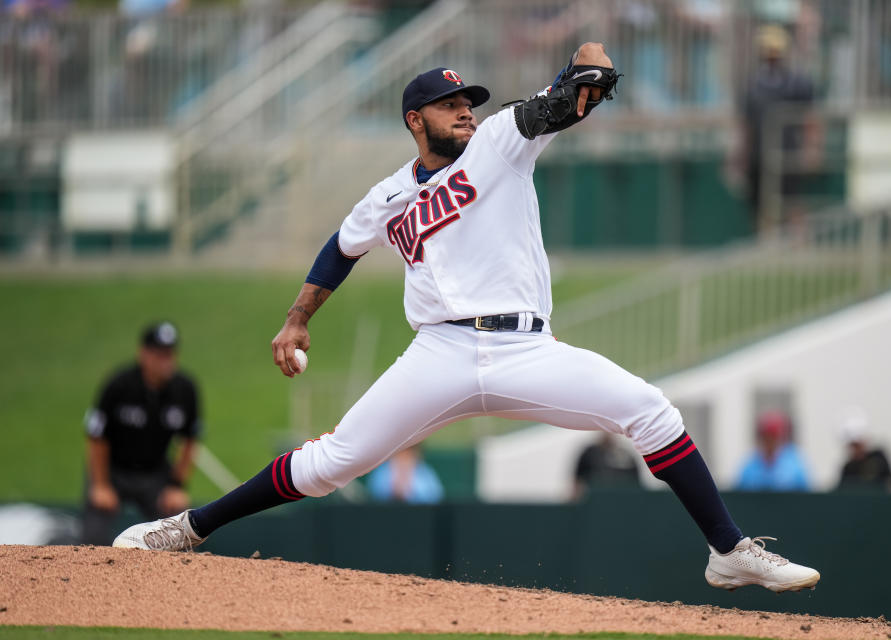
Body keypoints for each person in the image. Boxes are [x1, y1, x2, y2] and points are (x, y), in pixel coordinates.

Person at [114, 43, 819, 593]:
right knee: (332, 462)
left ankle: (729, 552)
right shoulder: (388, 193)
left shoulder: (501, 141)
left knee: (651, 412)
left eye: (467, 101)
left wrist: (591, 65)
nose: (464, 111)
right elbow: (342, 247)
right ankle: (189, 527)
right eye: (450, 104)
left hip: (526, 349)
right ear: (414, 120)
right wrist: (298, 317)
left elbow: (567, 98)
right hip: (439, 355)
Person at [82, 322, 201, 545]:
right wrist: (100, 485)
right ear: (144, 354)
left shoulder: (185, 389)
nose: (166, 361)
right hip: (113, 470)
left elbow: (190, 440)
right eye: (159, 355)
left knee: (182, 529)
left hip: (155, 471)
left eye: (170, 354)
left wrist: (176, 486)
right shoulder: (119, 385)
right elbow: (96, 436)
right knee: (93, 537)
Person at [731, 23, 819, 233]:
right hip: (758, 155)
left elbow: (810, 119)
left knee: (790, 202)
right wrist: (739, 157)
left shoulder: (798, 83)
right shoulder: (752, 85)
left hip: (786, 152)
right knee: (760, 204)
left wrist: (811, 149)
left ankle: (800, 244)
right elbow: (745, 125)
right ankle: (767, 246)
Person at [736, 410, 811, 492]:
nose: (769, 442)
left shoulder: (795, 465)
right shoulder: (750, 466)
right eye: (766, 437)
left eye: (773, 437)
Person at [835, 406, 891, 493]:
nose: (854, 449)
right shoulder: (848, 468)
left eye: (857, 444)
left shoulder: (879, 458)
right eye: (852, 445)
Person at [572, 432, 642, 500]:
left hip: (621, 499)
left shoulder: (625, 455)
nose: (608, 434)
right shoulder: (590, 453)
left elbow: (636, 483)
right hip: (594, 500)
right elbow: (578, 480)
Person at [367, 444, 444, 504]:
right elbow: (376, 495)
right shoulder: (383, 471)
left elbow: (435, 496)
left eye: (409, 450)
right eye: (402, 450)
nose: (405, 454)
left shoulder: (424, 471)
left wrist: (409, 492)